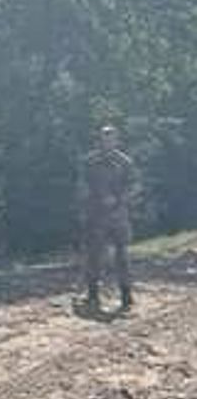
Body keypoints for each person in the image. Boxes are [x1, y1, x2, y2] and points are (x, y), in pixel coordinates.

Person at [79, 124, 137, 315]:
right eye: (104, 138)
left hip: (118, 213)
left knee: (122, 255)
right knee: (94, 254)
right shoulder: (90, 161)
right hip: (96, 214)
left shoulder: (125, 162)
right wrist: (88, 203)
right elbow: (82, 185)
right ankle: (93, 293)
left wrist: (118, 200)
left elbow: (133, 187)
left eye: (111, 138)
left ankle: (126, 293)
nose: (107, 142)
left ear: (117, 140)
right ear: (99, 140)